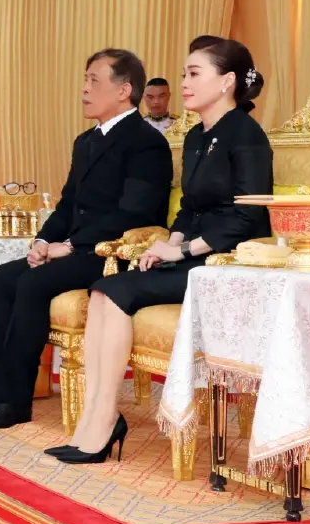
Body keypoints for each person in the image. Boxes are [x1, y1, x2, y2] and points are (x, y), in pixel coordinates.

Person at [56, 37, 273, 463]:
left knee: (116, 292)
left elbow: (248, 217)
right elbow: (190, 206)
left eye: (194, 74)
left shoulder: (246, 135)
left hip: (228, 260)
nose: (184, 83)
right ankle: (96, 414)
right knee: (103, 289)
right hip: (193, 254)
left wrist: (186, 249)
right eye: (184, 74)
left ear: (226, 81)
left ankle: (103, 420)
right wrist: (168, 243)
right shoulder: (195, 136)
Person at [0, 48, 173, 429]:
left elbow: (133, 214)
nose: (84, 89)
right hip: (77, 248)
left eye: (94, 81)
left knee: (33, 283)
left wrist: (68, 247)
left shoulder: (146, 142)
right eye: (85, 80)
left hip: (114, 254)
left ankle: (13, 401)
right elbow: (68, 205)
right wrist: (42, 241)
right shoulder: (85, 141)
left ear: (124, 91)